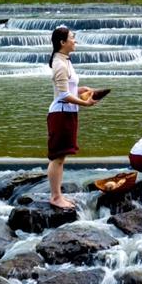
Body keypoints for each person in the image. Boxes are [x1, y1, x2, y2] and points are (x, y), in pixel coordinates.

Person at [47, 26, 97, 209]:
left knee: (61, 157)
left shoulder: (65, 60)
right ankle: (55, 197)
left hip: (67, 113)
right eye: (72, 38)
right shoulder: (60, 64)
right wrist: (84, 103)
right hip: (61, 113)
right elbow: (62, 95)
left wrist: (80, 90)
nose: (75, 40)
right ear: (62, 42)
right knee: (57, 157)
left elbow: (67, 89)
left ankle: (58, 194)